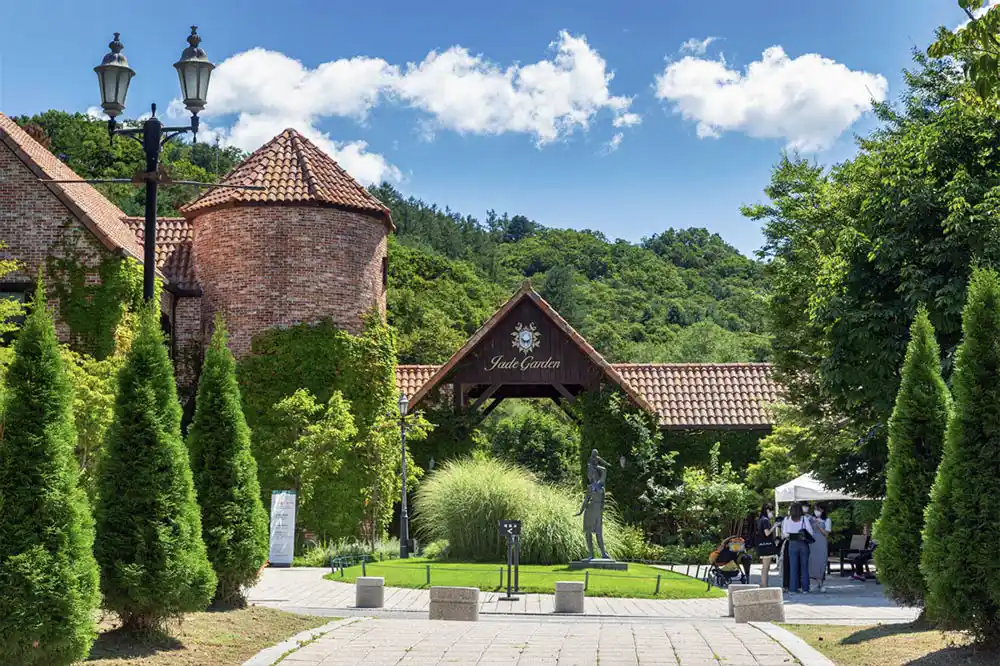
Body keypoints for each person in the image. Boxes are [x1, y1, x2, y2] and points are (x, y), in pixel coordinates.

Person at [781, 502, 815, 593]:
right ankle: (805, 588)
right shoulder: (804, 519)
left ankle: (792, 588)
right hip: (803, 544)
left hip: (792, 543)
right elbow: (811, 533)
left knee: (793, 567)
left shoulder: (787, 519)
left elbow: (784, 534)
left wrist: (792, 535)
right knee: (804, 567)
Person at [807, 504, 832, 592]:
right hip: (812, 543)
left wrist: (818, 526)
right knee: (812, 562)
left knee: (821, 562)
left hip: (821, 543)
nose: (816, 511)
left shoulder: (827, 520)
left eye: (818, 509)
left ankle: (821, 583)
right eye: (815, 509)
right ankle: (815, 583)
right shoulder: (810, 519)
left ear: (823, 510)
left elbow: (826, 534)